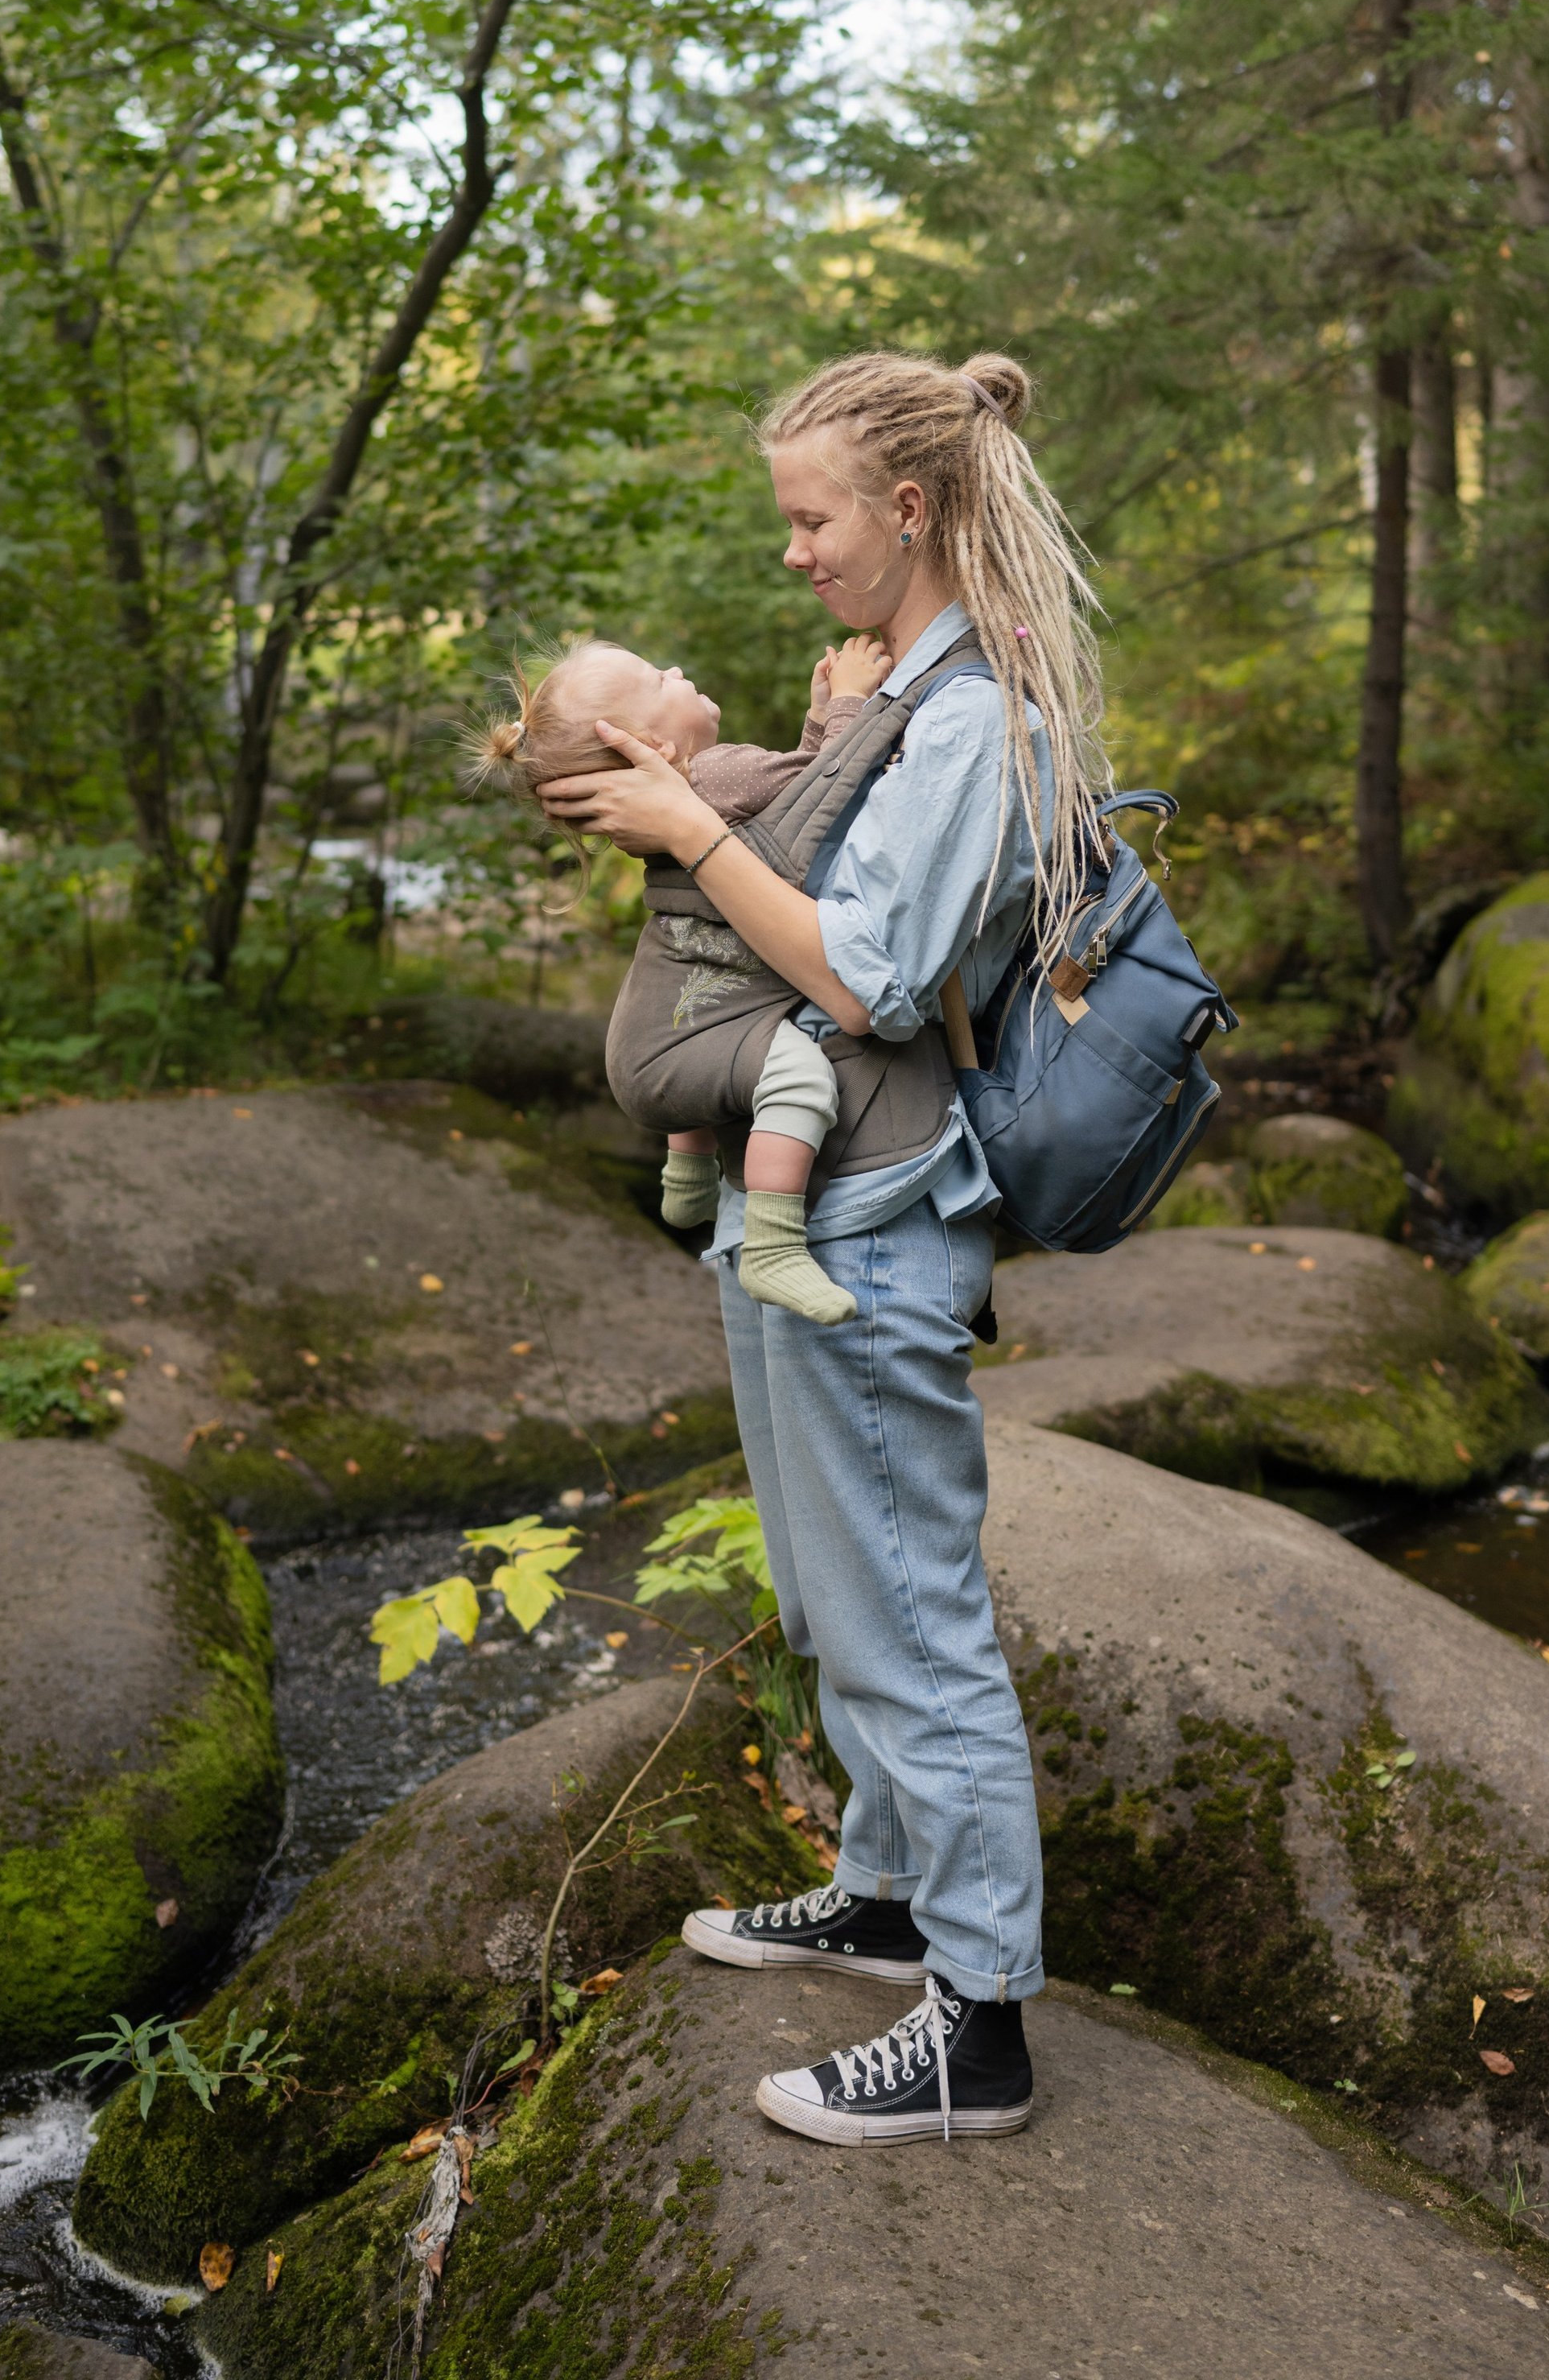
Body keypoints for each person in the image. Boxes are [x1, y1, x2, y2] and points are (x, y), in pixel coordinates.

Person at [537, 347, 1110, 2150]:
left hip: (871, 1222)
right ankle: (882, 1895)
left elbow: (862, 975)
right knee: (823, 1584)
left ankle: (979, 2023)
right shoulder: (899, 693)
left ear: (911, 509)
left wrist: (694, 828)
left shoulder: (977, 715)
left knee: (911, 1618)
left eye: (810, 519)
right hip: (817, 1203)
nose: (789, 553)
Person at [468, 629, 893, 1321]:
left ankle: (688, 1172)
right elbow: (835, 781)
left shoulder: (700, 793)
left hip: (657, 1034)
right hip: (677, 1046)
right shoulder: (718, 773)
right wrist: (851, 699)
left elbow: (797, 800)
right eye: (657, 680)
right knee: (801, 1078)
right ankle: (775, 1246)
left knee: (714, 1016)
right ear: (655, 749)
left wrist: (819, 715)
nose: (674, 668)